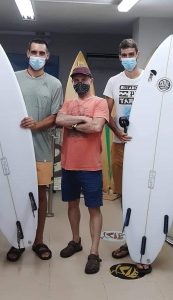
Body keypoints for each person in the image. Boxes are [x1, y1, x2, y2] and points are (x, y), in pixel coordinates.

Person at [6, 38, 63, 262]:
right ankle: (17, 241)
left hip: (41, 150)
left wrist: (37, 125)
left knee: (40, 196)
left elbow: (56, 116)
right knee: (16, 196)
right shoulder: (13, 79)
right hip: (15, 150)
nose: (37, 56)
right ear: (27, 53)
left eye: (42, 53)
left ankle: (38, 240)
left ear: (47, 56)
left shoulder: (55, 84)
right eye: (34, 52)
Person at [103, 38, 152, 274]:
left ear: (138, 54)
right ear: (119, 57)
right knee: (126, 197)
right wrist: (117, 132)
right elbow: (105, 112)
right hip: (120, 145)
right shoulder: (114, 81)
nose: (128, 58)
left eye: (131, 54)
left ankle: (147, 242)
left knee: (145, 195)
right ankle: (128, 241)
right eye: (124, 55)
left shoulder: (149, 79)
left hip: (145, 148)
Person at [56, 66, 109, 274]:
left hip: (90, 166)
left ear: (90, 80)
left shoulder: (100, 102)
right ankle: (75, 241)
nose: (79, 82)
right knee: (72, 205)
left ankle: (94, 253)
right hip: (69, 164)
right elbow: (59, 120)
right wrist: (84, 120)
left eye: (83, 79)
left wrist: (73, 124)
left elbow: (96, 128)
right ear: (72, 82)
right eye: (75, 79)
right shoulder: (68, 103)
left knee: (93, 208)